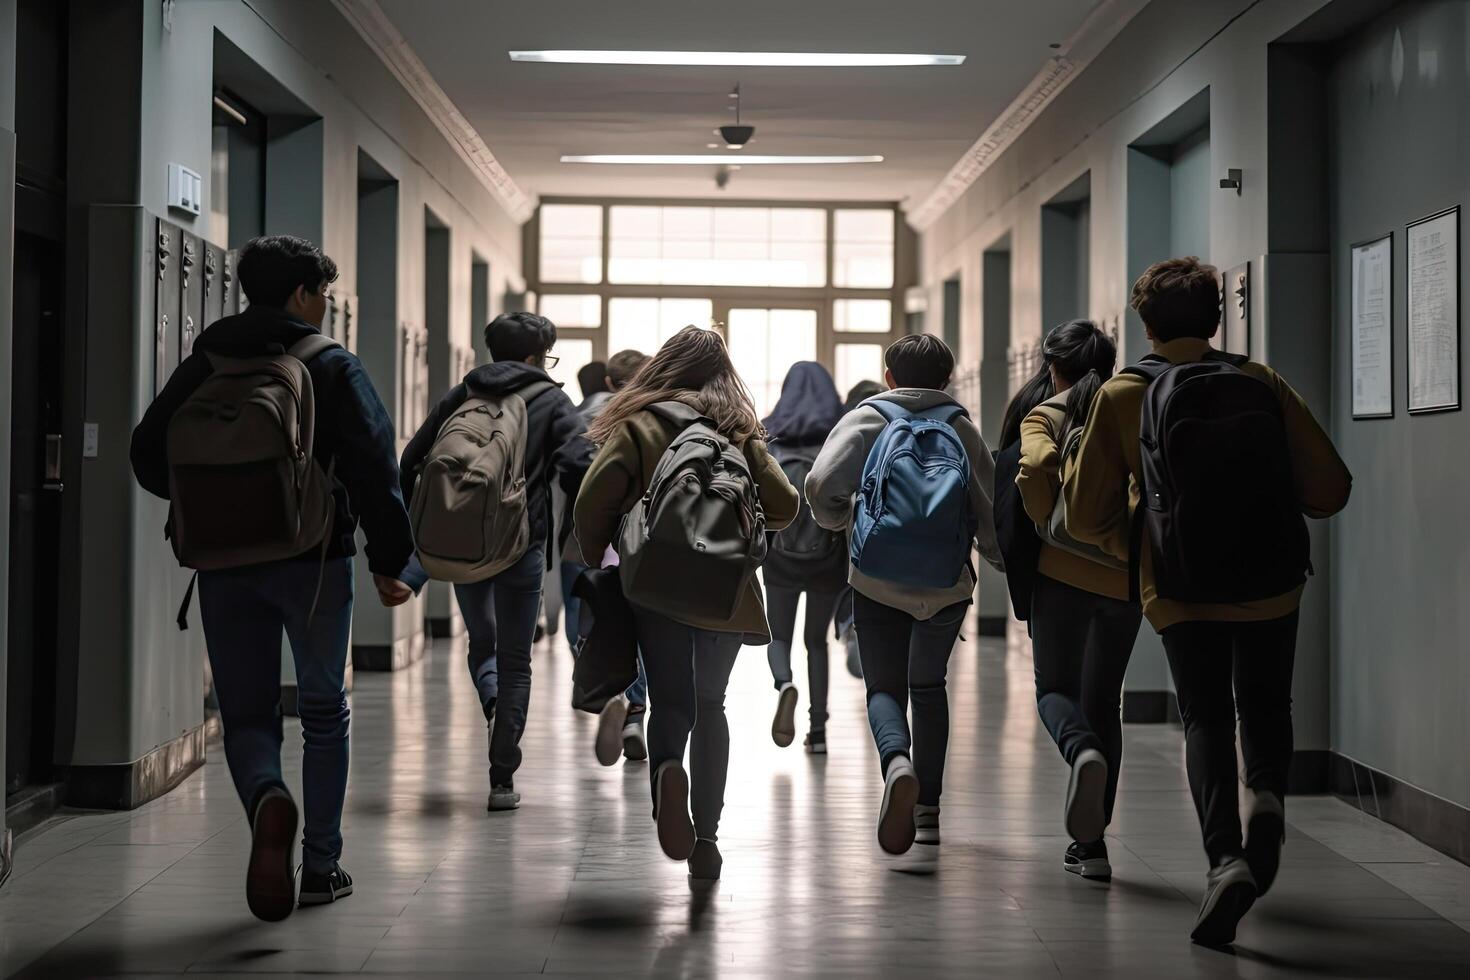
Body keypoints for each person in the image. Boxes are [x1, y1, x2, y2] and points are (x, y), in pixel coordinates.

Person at [1066, 257, 1351, 946]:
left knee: (1205, 717)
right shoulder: (1259, 381)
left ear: (1146, 323)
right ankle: (1272, 805)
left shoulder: (1122, 393)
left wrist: (1139, 537)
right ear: (1217, 316)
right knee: (1265, 703)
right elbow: (1330, 488)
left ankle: (1225, 859)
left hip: (1180, 586)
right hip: (1272, 581)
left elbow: (1082, 515)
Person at [130, 235, 414, 919]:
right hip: (314, 560)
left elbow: (147, 453)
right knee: (323, 709)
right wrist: (389, 560)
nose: (323, 305)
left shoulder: (208, 360)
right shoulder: (329, 363)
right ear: (302, 294)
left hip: (225, 563)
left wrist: (219, 505)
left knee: (247, 713)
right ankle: (320, 865)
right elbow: (376, 463)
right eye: (321, 293)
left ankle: (266, 797)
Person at [574, 326, 798, 881]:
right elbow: (787, 506)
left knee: (671, 702)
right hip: (726, 592)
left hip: (655, 588)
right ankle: (707, 840)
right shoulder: (738, 430)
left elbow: (590, 503)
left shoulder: (639, 422)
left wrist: (605, 555)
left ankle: (667, 772)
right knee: (710, 705)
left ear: (664, 366)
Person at [807, 336, 1002, 855]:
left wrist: (843, 523)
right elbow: (989, 510)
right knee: (929, 687)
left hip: (875, 578)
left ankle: (897, 763)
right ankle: (929, 811)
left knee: (884, 689)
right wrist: (999, 559)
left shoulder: (867, 419)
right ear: (947, 378)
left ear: (889, 375)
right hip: (945, 581)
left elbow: (822, 483)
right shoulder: (961, 427)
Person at [400, 312, 586, 812]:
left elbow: (410, 462)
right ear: (535, 356)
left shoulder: (463, 394)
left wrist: (419, 540)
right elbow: (579, 466)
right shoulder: (551, 399)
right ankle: (501, 777)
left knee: (481, 643)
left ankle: (491, 701)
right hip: (521, 545)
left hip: (464, 545)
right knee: (515, 658)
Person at [1000, 319, 1141, 882]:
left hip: (1061, 578)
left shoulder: (1049, 413)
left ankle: (1081, 751)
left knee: (1056, 690)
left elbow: (1032, 468)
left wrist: (1047, 523)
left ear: (1051, 366)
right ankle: (1093, 846)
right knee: (1106, 701)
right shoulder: (1130, 408)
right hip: (1124, 581)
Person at [570, 348, 655, 764]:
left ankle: (609, 692)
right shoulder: (657, 417)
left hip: (591, 538)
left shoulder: (587, 415)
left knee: (591, 621)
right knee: (640, 628)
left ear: (608, 382)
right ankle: (635, 712)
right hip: (643, 540)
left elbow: (568, 463)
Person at [761, 362, 848, 754]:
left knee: (778, 634)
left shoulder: (768, 431)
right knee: (816, 641)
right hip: (828, 555)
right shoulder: (842, 432)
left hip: (779, 553)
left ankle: (784, 684)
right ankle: (819, 731)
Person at [834, 380, 885, 679]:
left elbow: (822, 483)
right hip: (896, 534)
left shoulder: (847, 428)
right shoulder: (899, 424)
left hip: (852, 529)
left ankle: (852, 625)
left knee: (851, 583)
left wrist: (833, 520)